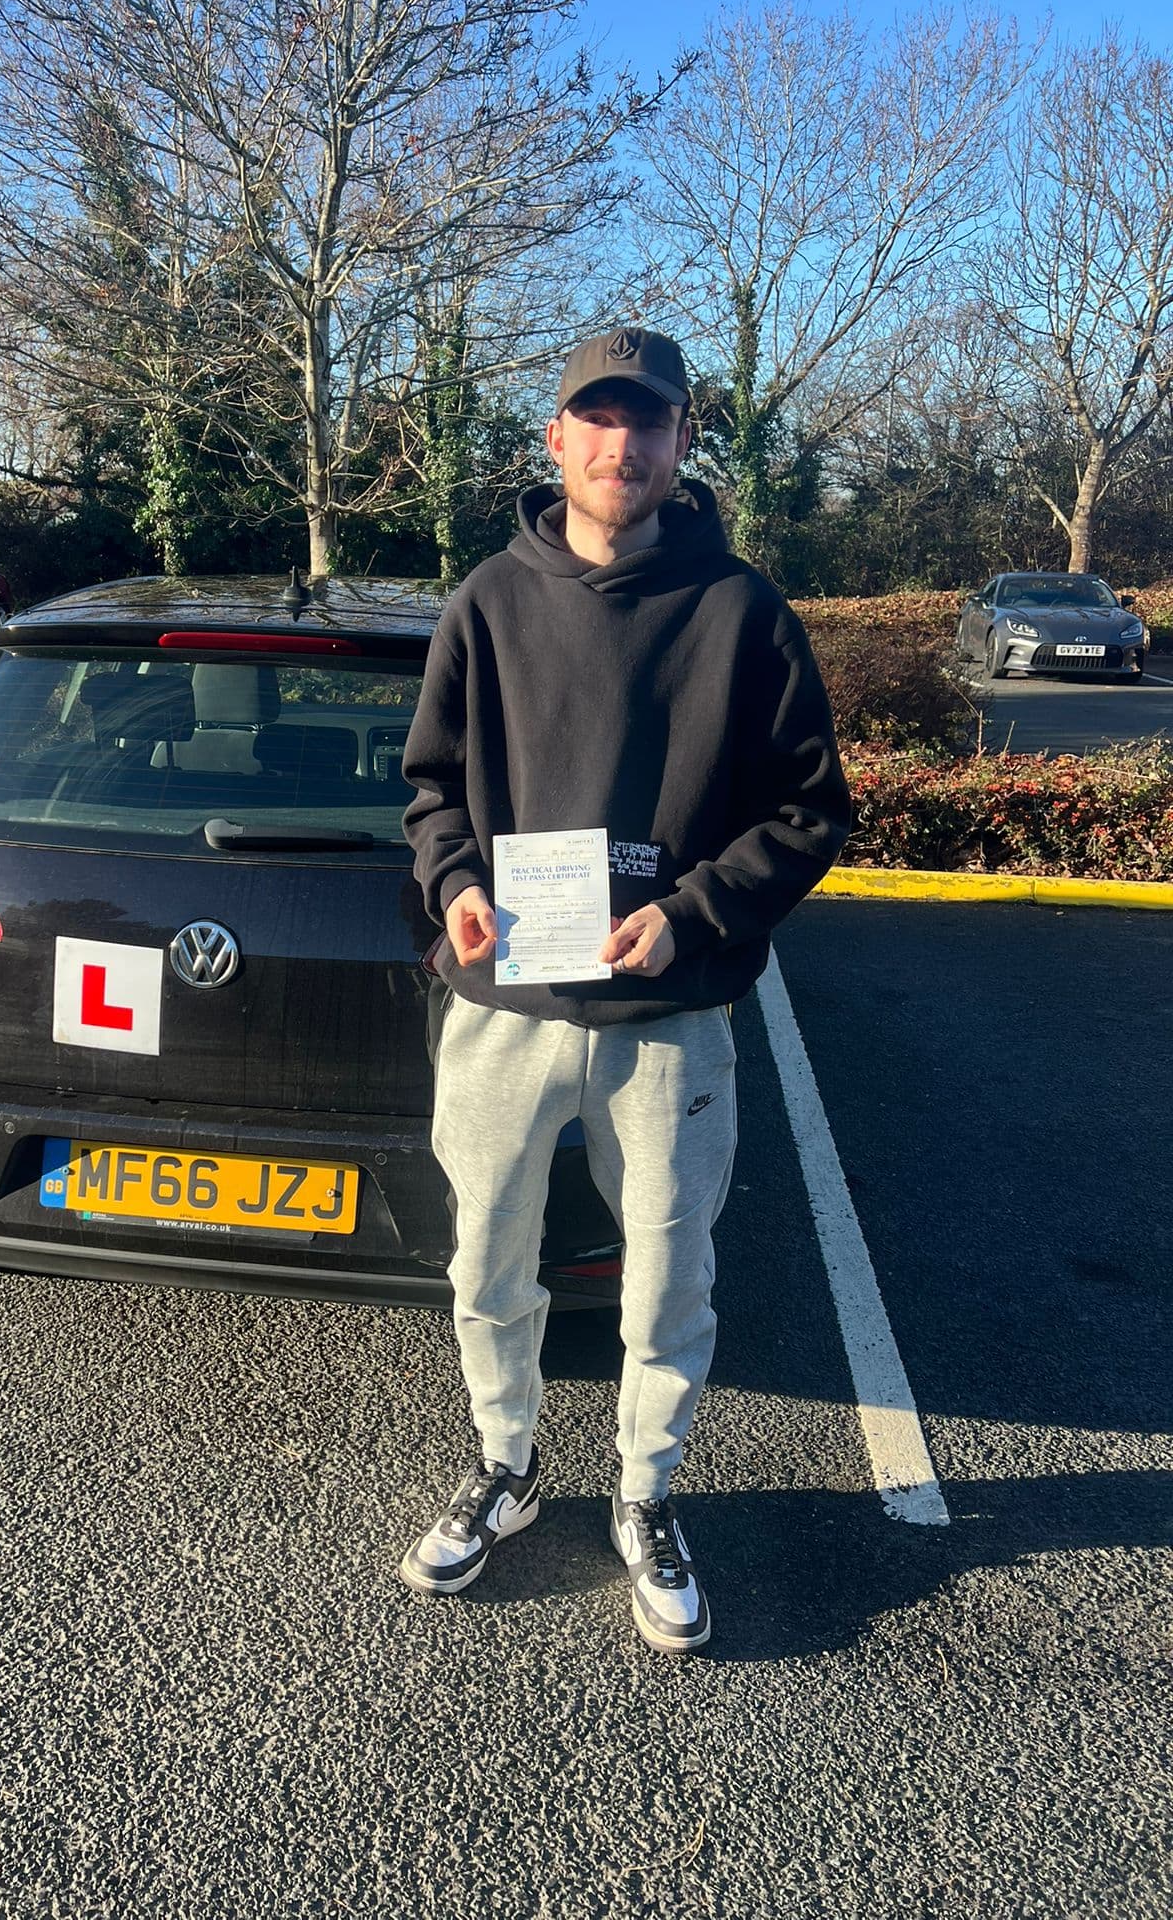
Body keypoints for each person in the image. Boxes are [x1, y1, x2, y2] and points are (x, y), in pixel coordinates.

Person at [396, 326, 852, 1650]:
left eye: (645, 422)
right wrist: (455, 884)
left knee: (666, 1277)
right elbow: (430, 790)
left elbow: (811, 810)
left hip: (668, 1017)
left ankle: (646, 1494)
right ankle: (508, 1466)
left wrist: (693, 914)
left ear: (680, 441)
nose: (620, 445)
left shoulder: (743, 611)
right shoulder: (487, 601)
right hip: (503, 1012)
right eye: (595, 419)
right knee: (486, 1260)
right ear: (554, 438)